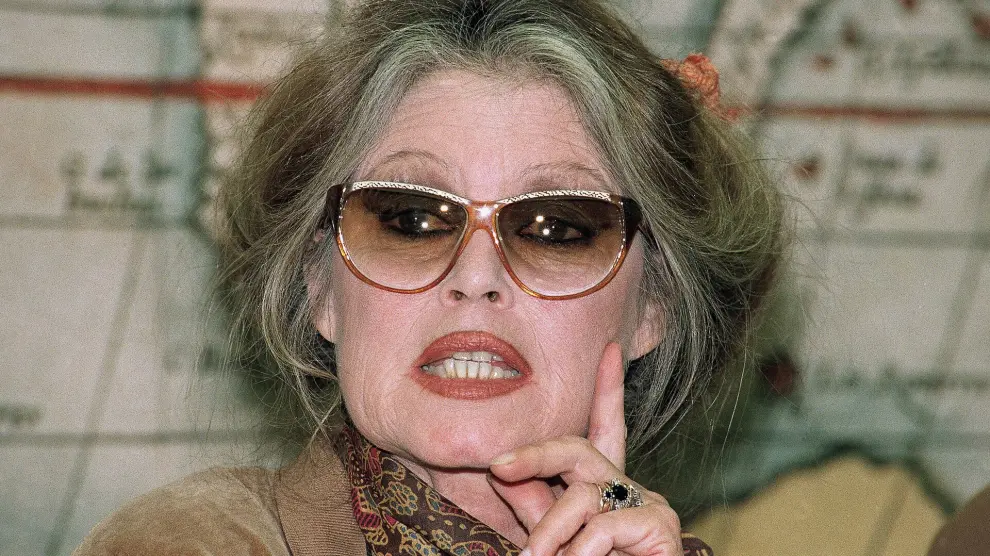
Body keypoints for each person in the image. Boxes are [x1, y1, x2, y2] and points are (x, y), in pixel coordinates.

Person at [74, 0, 784, 554]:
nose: (476, 277)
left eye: (555, 229)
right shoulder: (191, 543)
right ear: (320, 288)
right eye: (410, 221)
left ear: (654, 306)